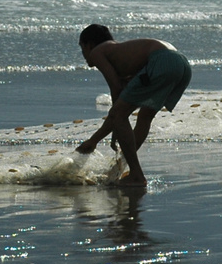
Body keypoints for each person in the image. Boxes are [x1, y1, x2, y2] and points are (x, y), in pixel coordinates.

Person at [75, 24, 192, 186]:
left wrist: (100, 136)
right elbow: (122, 103)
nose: (84, 55)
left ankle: (136, 175)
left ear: (89, 44)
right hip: (181, 64)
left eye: (82, 48)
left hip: (162, 61)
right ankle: (121, 167)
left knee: (119, 115)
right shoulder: (123, 54)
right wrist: (113, 126)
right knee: (145, 116)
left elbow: (116, 90)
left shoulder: (98, 51)